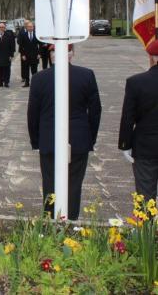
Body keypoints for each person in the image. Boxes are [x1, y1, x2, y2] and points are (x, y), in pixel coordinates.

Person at [28, 44, 101, 220]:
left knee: (50, 184)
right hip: (77, 139)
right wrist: (89, 137)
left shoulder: (39, 78)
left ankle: (51, 222)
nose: (54, 54)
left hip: (50, 139)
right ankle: (71, 221)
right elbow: (95, 111)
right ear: (70, 54)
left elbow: (32, 114)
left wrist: (36, 141)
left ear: (71, 53)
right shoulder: (85, 75)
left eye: (55, 51)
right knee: (73, 184)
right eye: (52, 51)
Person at [118, 52, 158, 200]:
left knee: (145, 195)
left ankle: (146, 223)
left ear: (151, 58)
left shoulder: (136, 82)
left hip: (145, 145)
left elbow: (128, 117)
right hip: (145, 145)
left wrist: (125, 144)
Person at [0, 22, 15, 88]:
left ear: (5, 28)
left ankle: (6, 82)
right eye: (0, 27)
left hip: (7, 55)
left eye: (3, 27)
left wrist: (11, 55)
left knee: (7, 69)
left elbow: (12, 46)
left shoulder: (9, 35)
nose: (1, 28)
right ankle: (0, 82)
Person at [17, 21, 40, 87]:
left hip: (35, 55)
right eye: (29, 27)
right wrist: (23, 55)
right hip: (26, 56)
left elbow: (40, 44)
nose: (30, 28)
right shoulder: (23, 35)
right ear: (26, 27)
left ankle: (34, 83)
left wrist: (39, 54)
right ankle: (27, 83)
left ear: (33, 27)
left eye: (31, 27)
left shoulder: (36, 35)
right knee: (26, 70)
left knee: (34, 70)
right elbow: (21, 46)